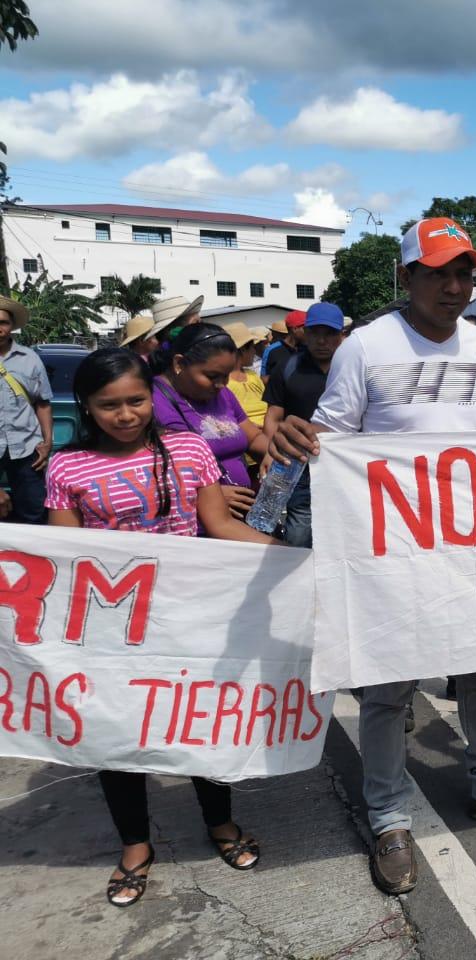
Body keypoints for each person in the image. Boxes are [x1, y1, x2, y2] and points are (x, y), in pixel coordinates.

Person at [268, 217, 476, 895]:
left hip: (472, 546)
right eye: (439, 274)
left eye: (464, 274)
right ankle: (390, 819)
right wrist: (287, 444)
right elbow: (331, 443)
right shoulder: (365, 347)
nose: (455, 287)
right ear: (406, 276)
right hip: (390, 552)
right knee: (387, 688)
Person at [45, 348, 279, 907]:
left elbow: (218, 523)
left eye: (136, 400)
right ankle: (135, 845)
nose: (125, 414)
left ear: (151, 397)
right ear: (86, 406)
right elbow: (63, 555)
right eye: (109, 405)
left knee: (199, 722)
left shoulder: (190, 448)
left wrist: (289, 557)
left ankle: (220, 823)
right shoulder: (65, 468)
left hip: (191, 615)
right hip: (111, 627)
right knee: (115, 733)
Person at [151, 324, 269, 520]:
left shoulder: (222, 394)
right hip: (195, 523)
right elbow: (155, 473)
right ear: (179, 364)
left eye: (226, 375)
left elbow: (253, 436)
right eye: (212, 376)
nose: (222, 384)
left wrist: (270, 454)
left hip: (238, 517)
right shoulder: (154, 401)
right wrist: (210, 495)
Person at [263, 302, 344, 548]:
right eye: (315, 333)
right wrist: (270, 451)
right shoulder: (288, 368)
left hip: (343, 466)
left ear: (341, 335)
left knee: (343, 527)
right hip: (299, 466)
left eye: (329, 333)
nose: (322, 340)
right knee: (299, 531)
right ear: (305, 333)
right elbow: (273, 416)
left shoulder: (352, 368)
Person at [0, 294, 53, 523]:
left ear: (11, 326)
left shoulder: (30, 359)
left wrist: (47, 442)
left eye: (3, 322)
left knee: (34, 512)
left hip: (26, 447)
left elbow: (42, 403)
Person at [224, 322, 268, 428]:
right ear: (243, 350)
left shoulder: (253, 375)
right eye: (252, 347)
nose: (254, 351)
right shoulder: (224, 382)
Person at [262, 311, 306, 384]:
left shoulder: (308, 349)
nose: (309, 331)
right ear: (295, 329)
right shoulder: (271, 350)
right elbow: (264, 378)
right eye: (305, 328)